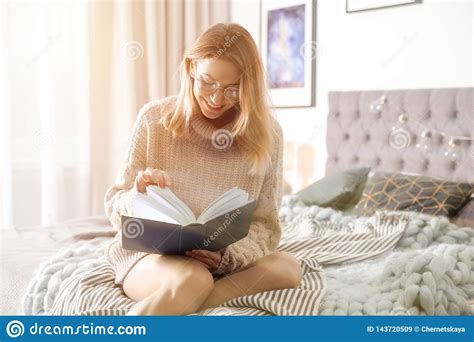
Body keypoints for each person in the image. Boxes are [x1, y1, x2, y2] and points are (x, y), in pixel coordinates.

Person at [104, 23, 302, 315]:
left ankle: (188, 301)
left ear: (248, 86)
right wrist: (136, 196)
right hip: (151, 258)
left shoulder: (267, 135)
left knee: (288, 268)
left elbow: (266, 226)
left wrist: (227, 256)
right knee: (193, 278)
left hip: (219, 264)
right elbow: (114, 203)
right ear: (191, 69)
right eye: (207, 82)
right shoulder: (154, 119)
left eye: (232, 89)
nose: (216, 98)